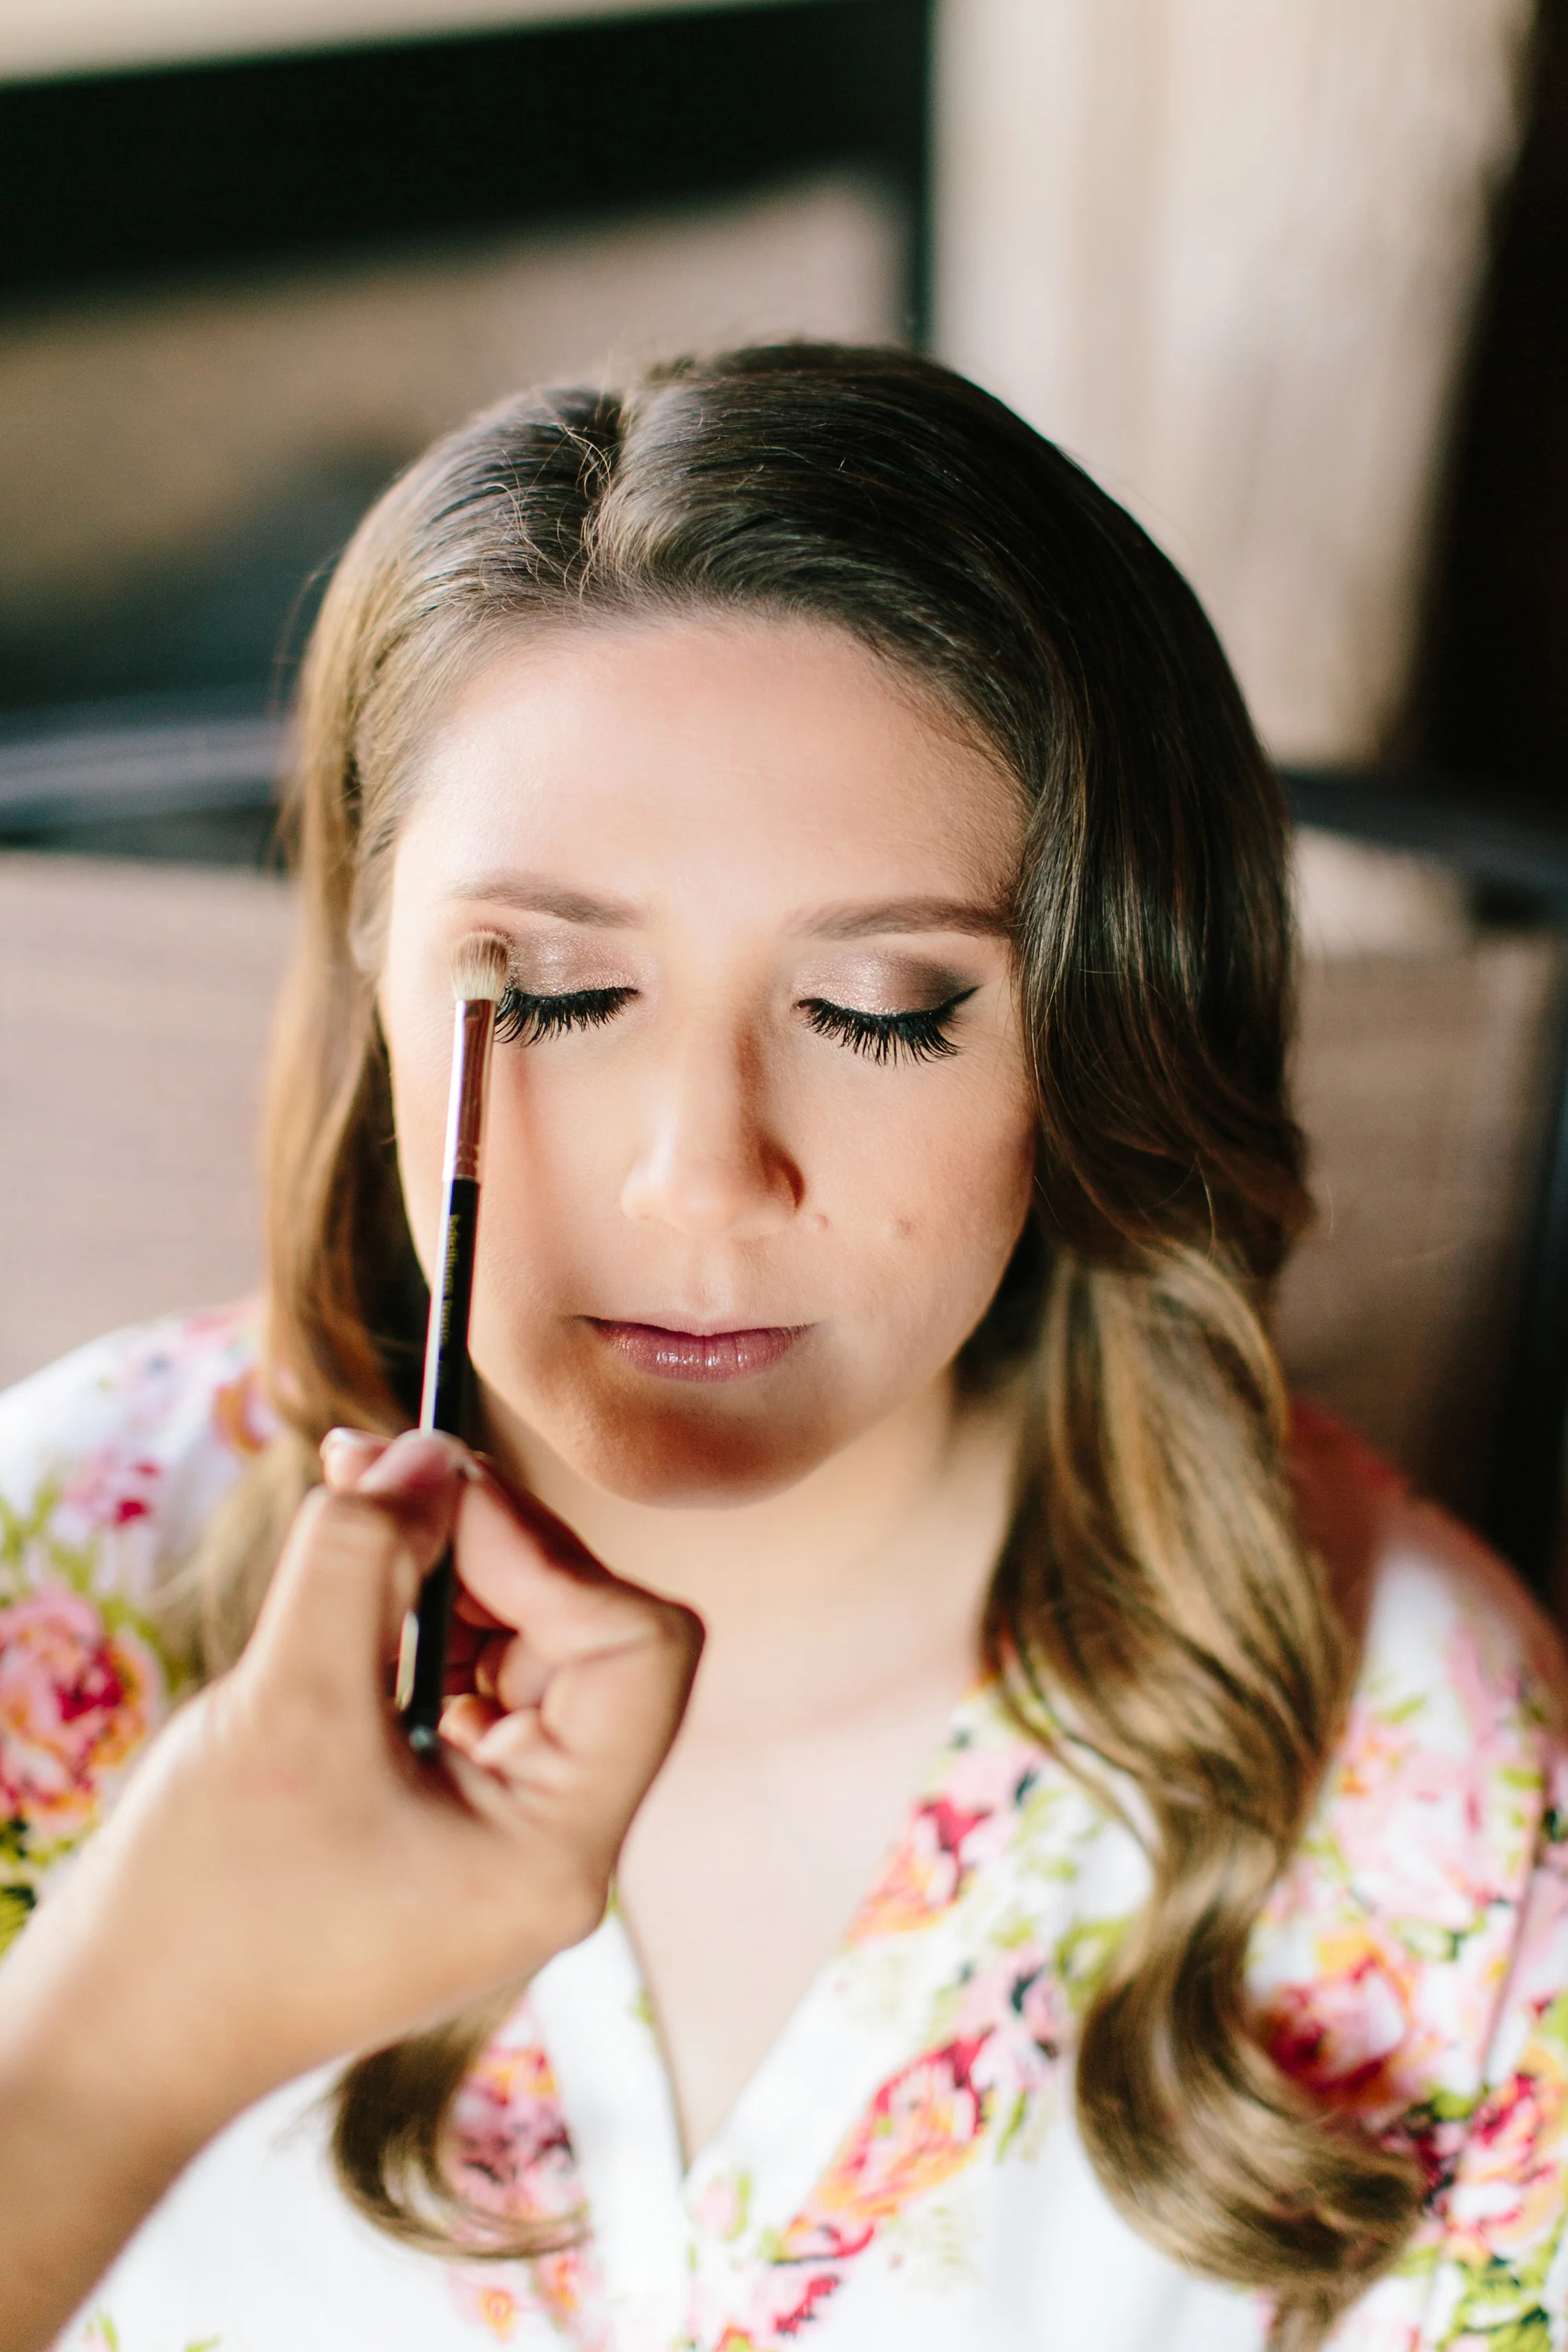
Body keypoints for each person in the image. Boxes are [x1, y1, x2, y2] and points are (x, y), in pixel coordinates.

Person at [0, 344, 1564, 2352]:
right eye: (555, 995)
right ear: (373, 958)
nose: (703, 1181)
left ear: (1094, 1030)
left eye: (884, 1010)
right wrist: (116, 2052)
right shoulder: (51, 1586)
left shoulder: (1423, 1775)